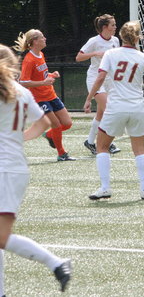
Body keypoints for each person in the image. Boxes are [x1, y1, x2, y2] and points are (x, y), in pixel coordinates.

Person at [0, 44, 72, 293]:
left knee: (1, 236)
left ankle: (56, 263)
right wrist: (17, 139)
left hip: (5, 170)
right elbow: (43, 123)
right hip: (14, 168)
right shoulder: (21, 91)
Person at [84, 21, 144, 200]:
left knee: (102, 146)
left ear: (121, 36)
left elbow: (100, 78)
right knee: (140, 150)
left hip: (116, 108)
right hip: (137, 109)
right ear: (137, 38)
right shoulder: (143, 57)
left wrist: (89, 98)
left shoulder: (111, 54)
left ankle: (105, 188)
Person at [14, 29, 75, 161]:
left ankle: (49, 135)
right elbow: (23, 82)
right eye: (42, 37)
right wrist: (43, 82)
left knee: (67, 123)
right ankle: (62, 154)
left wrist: (51, 75)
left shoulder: (40, 54)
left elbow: (41, 75)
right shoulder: (29, 60)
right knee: (56, 125)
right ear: (35, 41)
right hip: (39, 99)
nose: (45, 39)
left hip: (51, 94)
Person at [75, 14, 121, 155]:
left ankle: (90, 142)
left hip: (109, 80)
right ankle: (108, 143)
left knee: (101, 113)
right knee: (109, 110)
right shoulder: (94, 41)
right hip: (95, 79)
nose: (115, 27)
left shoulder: (115, 40)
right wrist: (95, 53)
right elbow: (78, 57)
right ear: (104, 27)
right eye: (113, 25)